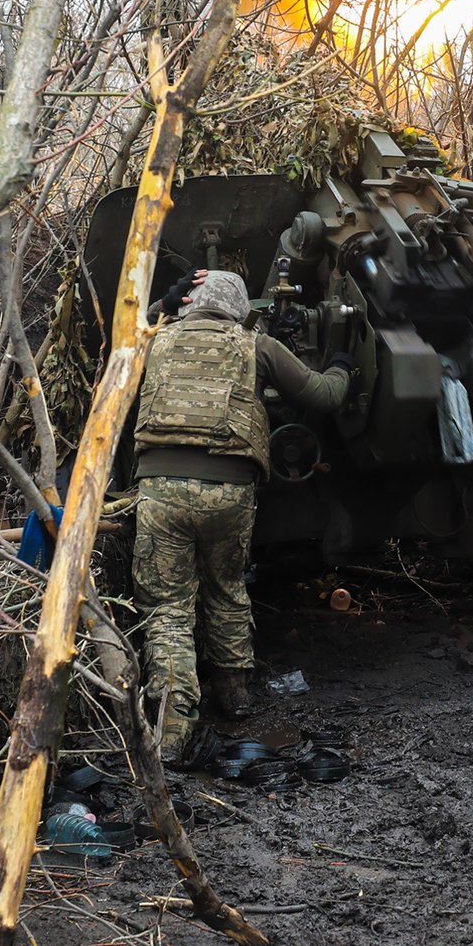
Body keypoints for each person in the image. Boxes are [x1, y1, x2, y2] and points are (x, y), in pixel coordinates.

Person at [131, 268, 352, 762]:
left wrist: (159, 308)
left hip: (161, 489)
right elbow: (324, 395)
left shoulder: (158, 340)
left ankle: (171, 729)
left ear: (190, 302)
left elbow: (118, 347)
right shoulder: (256, 345)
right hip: (230, 492)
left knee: (167, 606)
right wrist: (341, 362)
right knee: (226, 587)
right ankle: (233, 696)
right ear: (237, 307)